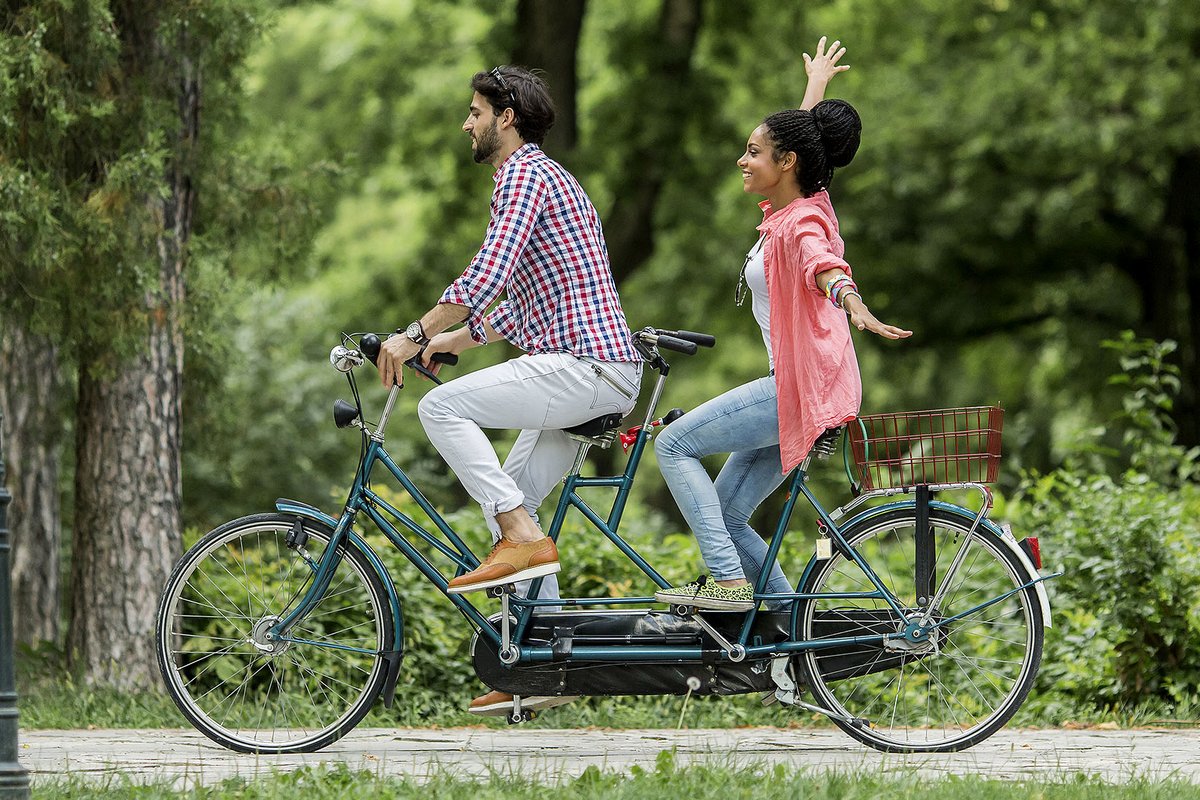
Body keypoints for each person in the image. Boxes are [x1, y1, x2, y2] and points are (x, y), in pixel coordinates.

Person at [377, 66, 643, 713]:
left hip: (585, 365)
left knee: (442, 408)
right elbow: (514, 304)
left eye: (474, 111)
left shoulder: (524, 173)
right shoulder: (540, 182)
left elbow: (486, 272)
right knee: (515, 500)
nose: (466, 123)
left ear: (507, 117)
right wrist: (450, 342)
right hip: (593, 369)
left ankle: (518, 535)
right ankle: (546, 671)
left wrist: (414, 332)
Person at [654, 40, 912, 611]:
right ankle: (797, 642)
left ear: (785, 164)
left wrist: (852, 300)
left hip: (799, 390)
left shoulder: (800, 227)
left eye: (753, 152)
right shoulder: (805, 202)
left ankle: (726, 581)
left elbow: (824, 264)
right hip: (813, 389)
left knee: (673, 446)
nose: (742, 161)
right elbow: (800, 144)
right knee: (725, 512)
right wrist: (814, 87)